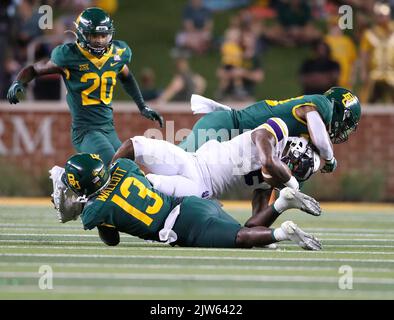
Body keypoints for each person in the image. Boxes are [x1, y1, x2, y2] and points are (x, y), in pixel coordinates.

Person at [60, 153, 322, 250]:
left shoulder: (95, 211)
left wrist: (91, 210)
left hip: (183, 225)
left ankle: (284, 233)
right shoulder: (124, 167)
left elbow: (112, 241)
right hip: (192, 203)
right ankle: (282, 202)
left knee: (242, 239)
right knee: (248, 233)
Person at [6, 7, 164, 167]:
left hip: (108, 129)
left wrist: (142, 106)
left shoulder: (117, 53)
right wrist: (19, 81)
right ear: (82, 34)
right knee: (115, 167)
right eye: (95, 36)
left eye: (104, 35)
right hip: (86, 131)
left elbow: (127, 77)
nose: (100, 41)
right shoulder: (69, 56)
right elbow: (35, 69)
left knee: (130, 169)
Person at [178, 87, 362, 175]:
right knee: (176, 164)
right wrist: (329, 158)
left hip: (233, 147)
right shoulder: (322, 105)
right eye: (347, 123)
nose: (344, 130)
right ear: (338, 110)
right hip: (226, 127)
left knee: (193, 180)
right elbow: (322, 142)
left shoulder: (305, 138)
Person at [360, 2, 394, 103]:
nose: (382, 18)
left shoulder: (392, 33)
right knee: (366, 99)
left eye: (384, 16)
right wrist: (363, 72)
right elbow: (364, 54)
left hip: (391, 73)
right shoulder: (369, 34)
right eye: (380, 16)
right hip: (374, 73)